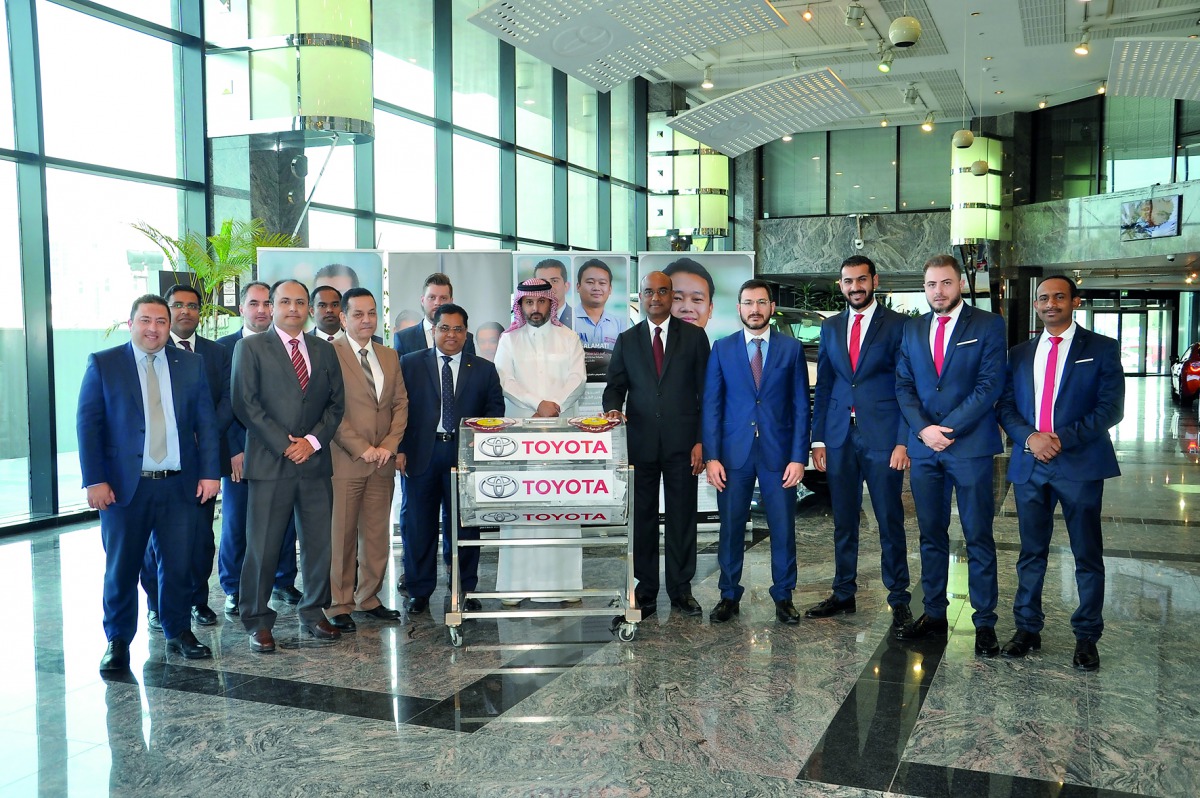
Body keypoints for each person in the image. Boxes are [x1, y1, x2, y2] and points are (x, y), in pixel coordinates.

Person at [78, 294, 221, 673]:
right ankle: (118, 640)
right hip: (126, 488)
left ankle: (178, 631)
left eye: (160, 321)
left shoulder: (191, 364)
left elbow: (206, 424)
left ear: (169, 324)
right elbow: (88, 427)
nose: (153, 328)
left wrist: (210, 473)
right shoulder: (105, 364)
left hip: (179, 486)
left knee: (178, 565)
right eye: (145, 320)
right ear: (131, 324)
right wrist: (95, 480)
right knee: (121, 568)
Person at [996, 275, 1124, 671]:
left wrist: (1060, 440)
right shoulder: (1018, 353)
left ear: (1075, 301)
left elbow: (1110, 409)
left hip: (1080, 465)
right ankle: (1027, 628)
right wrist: (1032, 438)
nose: (1050, 304)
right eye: (1043, 298)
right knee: (1030, 552)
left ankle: (1086, 636)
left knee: (1086, 553)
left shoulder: (1101, 349)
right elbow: (1005, 406)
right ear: (1036, 305)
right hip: (1031, 464)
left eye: (1058, 297)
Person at [894, 255, 1006, 657]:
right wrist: (924, 431)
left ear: (959, 283)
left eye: (944, 283)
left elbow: (990, 385)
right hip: (925, 450)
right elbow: (903, 386)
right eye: (930, 285)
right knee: (930, 535)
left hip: (970, 448)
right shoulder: (912, 329)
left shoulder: (988, 325)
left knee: (978, 535)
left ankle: (985, 623)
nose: (937, 291)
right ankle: (934, 614)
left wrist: (948, 430)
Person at [231, 279, 345, 653]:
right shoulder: (250, 348)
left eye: (300, 302)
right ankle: (257, 620)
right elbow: (245, 405)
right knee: (262, 546)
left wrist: (311, 442)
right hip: (270, 463)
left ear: (309, 308)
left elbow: (335, 405)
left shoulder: (324, 350)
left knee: (318, 545)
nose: (293, 308)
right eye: (285, 301)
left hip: (314, 464)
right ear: (272, 306)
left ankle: (313, 612)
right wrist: (285, 445)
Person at [805, 256, 912, 627]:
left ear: (875, 281)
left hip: (883, 437)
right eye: (848, 281)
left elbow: (906, 386)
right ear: (840, 285)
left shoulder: (899, 326)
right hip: (838, 437)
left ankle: (898, 597)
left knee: (888, 518)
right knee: (844, 520)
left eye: (861, 280)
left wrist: (903, 442)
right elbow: (828, 383)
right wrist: (818, 440)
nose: (855, 287)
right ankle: (843, 592)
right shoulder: (831, 327)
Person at [702, 279, 810, 625]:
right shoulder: (722, 348)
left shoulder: (791, 349)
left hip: (779, 455)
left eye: (761, 303)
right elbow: (712, 406)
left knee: (782, 526)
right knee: (731, 527)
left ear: (771, 308)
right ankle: (728, 594)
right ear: (739, 308)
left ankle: (784, 595)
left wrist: (798, 457)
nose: (755, 309)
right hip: (733, 455)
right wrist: (712, 456)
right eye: (748, 303)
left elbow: (800, 407)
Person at [603, 271, 710, 618]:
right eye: (648, 292)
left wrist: (701, 441)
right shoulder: (627, 339)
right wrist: (613, 410)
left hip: (684, 446)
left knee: (682, 518)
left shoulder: (694, 338)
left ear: (672, 296)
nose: (655, 298)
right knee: (643, 520)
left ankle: (681, 589)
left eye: (662, 292)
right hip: (641, 445)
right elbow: (614, 387)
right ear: (641, 296)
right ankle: (645, 589)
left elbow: (706, 395)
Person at [398, 303, 504, 614]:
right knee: (418, 526)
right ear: (433, 330)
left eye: (458, 329)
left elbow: (494, 412)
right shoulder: (410, 364)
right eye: (444, 328)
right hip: (421, 454)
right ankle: (419, 590)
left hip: (465, 456)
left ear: (466, 333)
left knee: (464, 526)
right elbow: (398, 410)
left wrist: (481, 452)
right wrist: (400, 448)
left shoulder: (483, 369)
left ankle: (465, 589)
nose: (451, 334)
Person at [139, 284, 234, 632]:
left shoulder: (217, 352)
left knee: (199, 539)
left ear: (200, 312)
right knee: (156, 544)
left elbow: (228, 399)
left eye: (193, 306)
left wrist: (201, 435)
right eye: (177, 305)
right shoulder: (149, 352)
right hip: (159, 467)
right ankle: (156, 604)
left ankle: (198, 600)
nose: (185, 311)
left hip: (200, 465)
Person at [493, 278, 588, 605]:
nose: (535, 309)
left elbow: (578, 379)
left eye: (541, 302)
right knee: (521, 508)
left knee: (561, 506)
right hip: (522, 437)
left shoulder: (569, 337)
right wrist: (538, 404)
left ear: (552, 303)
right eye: (529, 303)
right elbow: (505, 381)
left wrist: (554, 406)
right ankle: (514, 587)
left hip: (561, 439)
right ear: (520, 306)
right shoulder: (509, 341)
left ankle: (566, 585)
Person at [325, 288, 409, 632]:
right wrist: (361, 447)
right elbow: (330, 409)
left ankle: (369, 597)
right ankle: (339, 603)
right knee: (342, 534)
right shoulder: (329, 353)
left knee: (376, 534)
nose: (366, 320)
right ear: (343, 318)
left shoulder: (389, 355)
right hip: (346, 460)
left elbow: (400, 404)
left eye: (372, 313)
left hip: (382, 461)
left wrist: (389, 445)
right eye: (358, 314)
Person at [216, 282, 302, 615]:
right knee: (238, 525)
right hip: (241, 455)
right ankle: (235, 588)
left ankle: (283, 581)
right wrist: (234, 450)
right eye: (254, 303)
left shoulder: (288, 346)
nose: (262, 310)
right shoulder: (224, 348)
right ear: (241, 308)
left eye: (268, 303)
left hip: (281, 452)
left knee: (283, 522)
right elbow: (228, 404)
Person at [394, 273, 476, 357]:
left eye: (443, 298)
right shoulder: (403, 338)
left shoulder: (466, 338)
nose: (437, 303)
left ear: (451, 301)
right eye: (432, 297)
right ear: (422, 301)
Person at [573, 258, 626, 349]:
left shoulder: (620, 325)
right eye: (590, 282)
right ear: (578, 287)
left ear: (610, 289)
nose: (596, 288)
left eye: (602, 283)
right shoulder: (566, 321)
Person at [663, 257, 715, 330]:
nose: (687, 308)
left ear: (710, 309)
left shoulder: (723, 341)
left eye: (697, 299)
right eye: (677, 298)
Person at [532, 258, 573, 327]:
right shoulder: (529, 319)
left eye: (554, 281)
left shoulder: (577, 317)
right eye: (543, 282)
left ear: (566, 286)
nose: (549, 287)